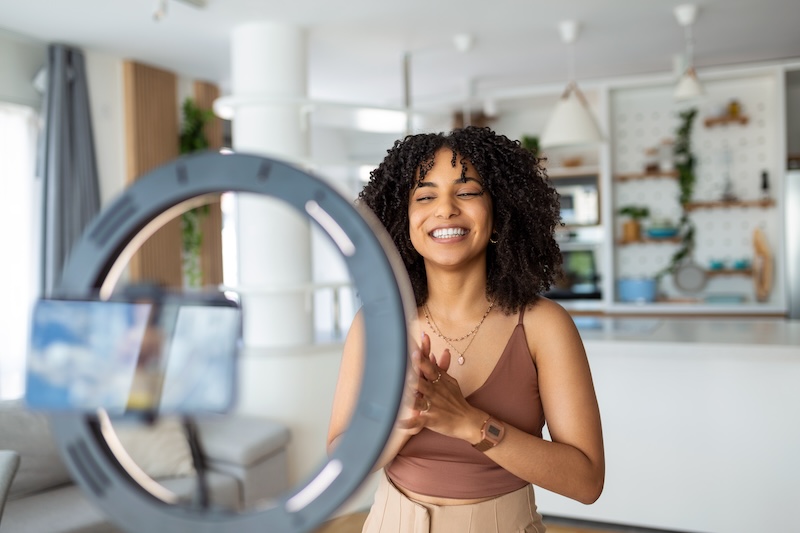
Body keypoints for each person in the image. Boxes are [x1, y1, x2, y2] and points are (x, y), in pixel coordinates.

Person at [327, 126, 604, 533]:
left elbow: (586, 482)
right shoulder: (375, 325)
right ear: (404, 223)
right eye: (425, 196)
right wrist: (402, 421)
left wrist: (470, 423)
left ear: (500, 215)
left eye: (467, 192)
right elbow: (339, 462)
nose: (445, 209)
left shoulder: (544, 325)